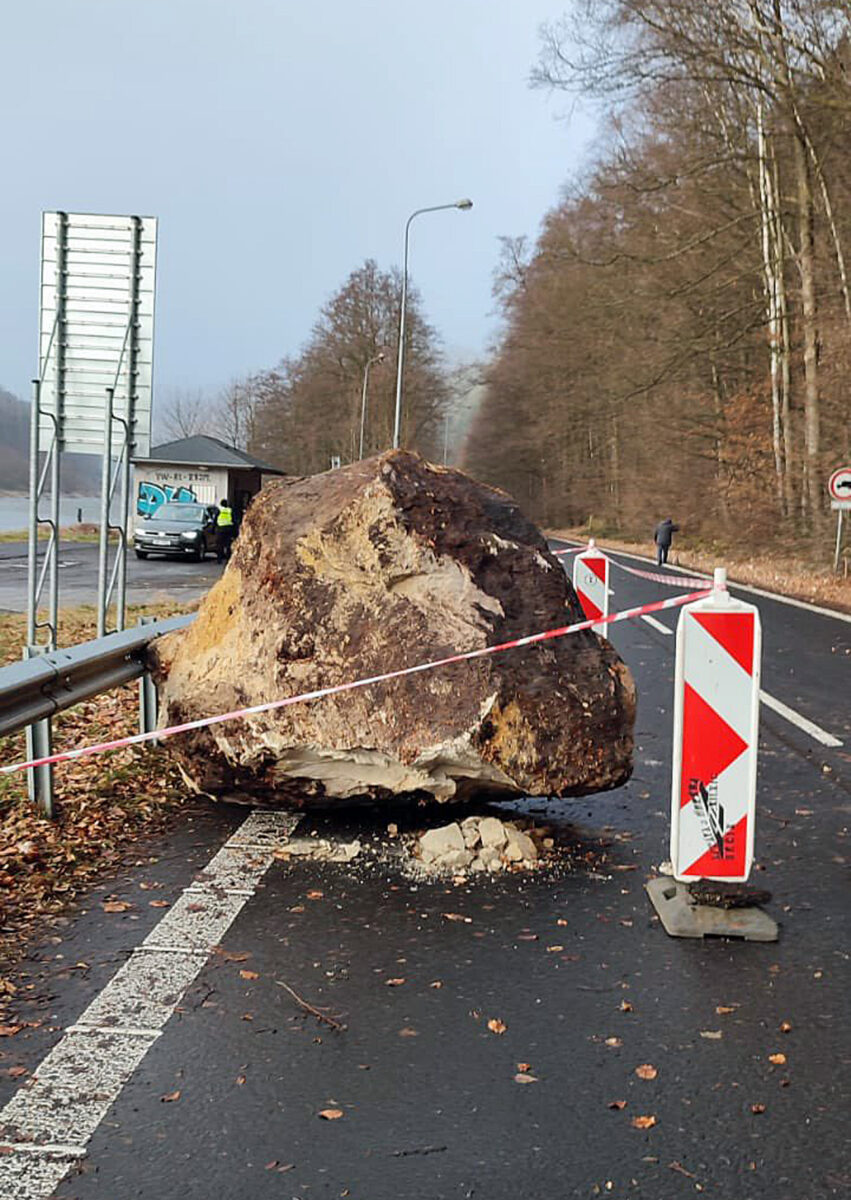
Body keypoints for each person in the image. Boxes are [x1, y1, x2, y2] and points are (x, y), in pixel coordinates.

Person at [216, 498, 235, 562]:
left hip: (220, 529)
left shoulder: (219, 510)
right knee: (228, 544)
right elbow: (234, 521)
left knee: (220, 545)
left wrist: (213, 529)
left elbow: (215, 520)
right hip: (228, 529)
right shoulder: (230, 511)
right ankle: (228, 558)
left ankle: (219, 559)